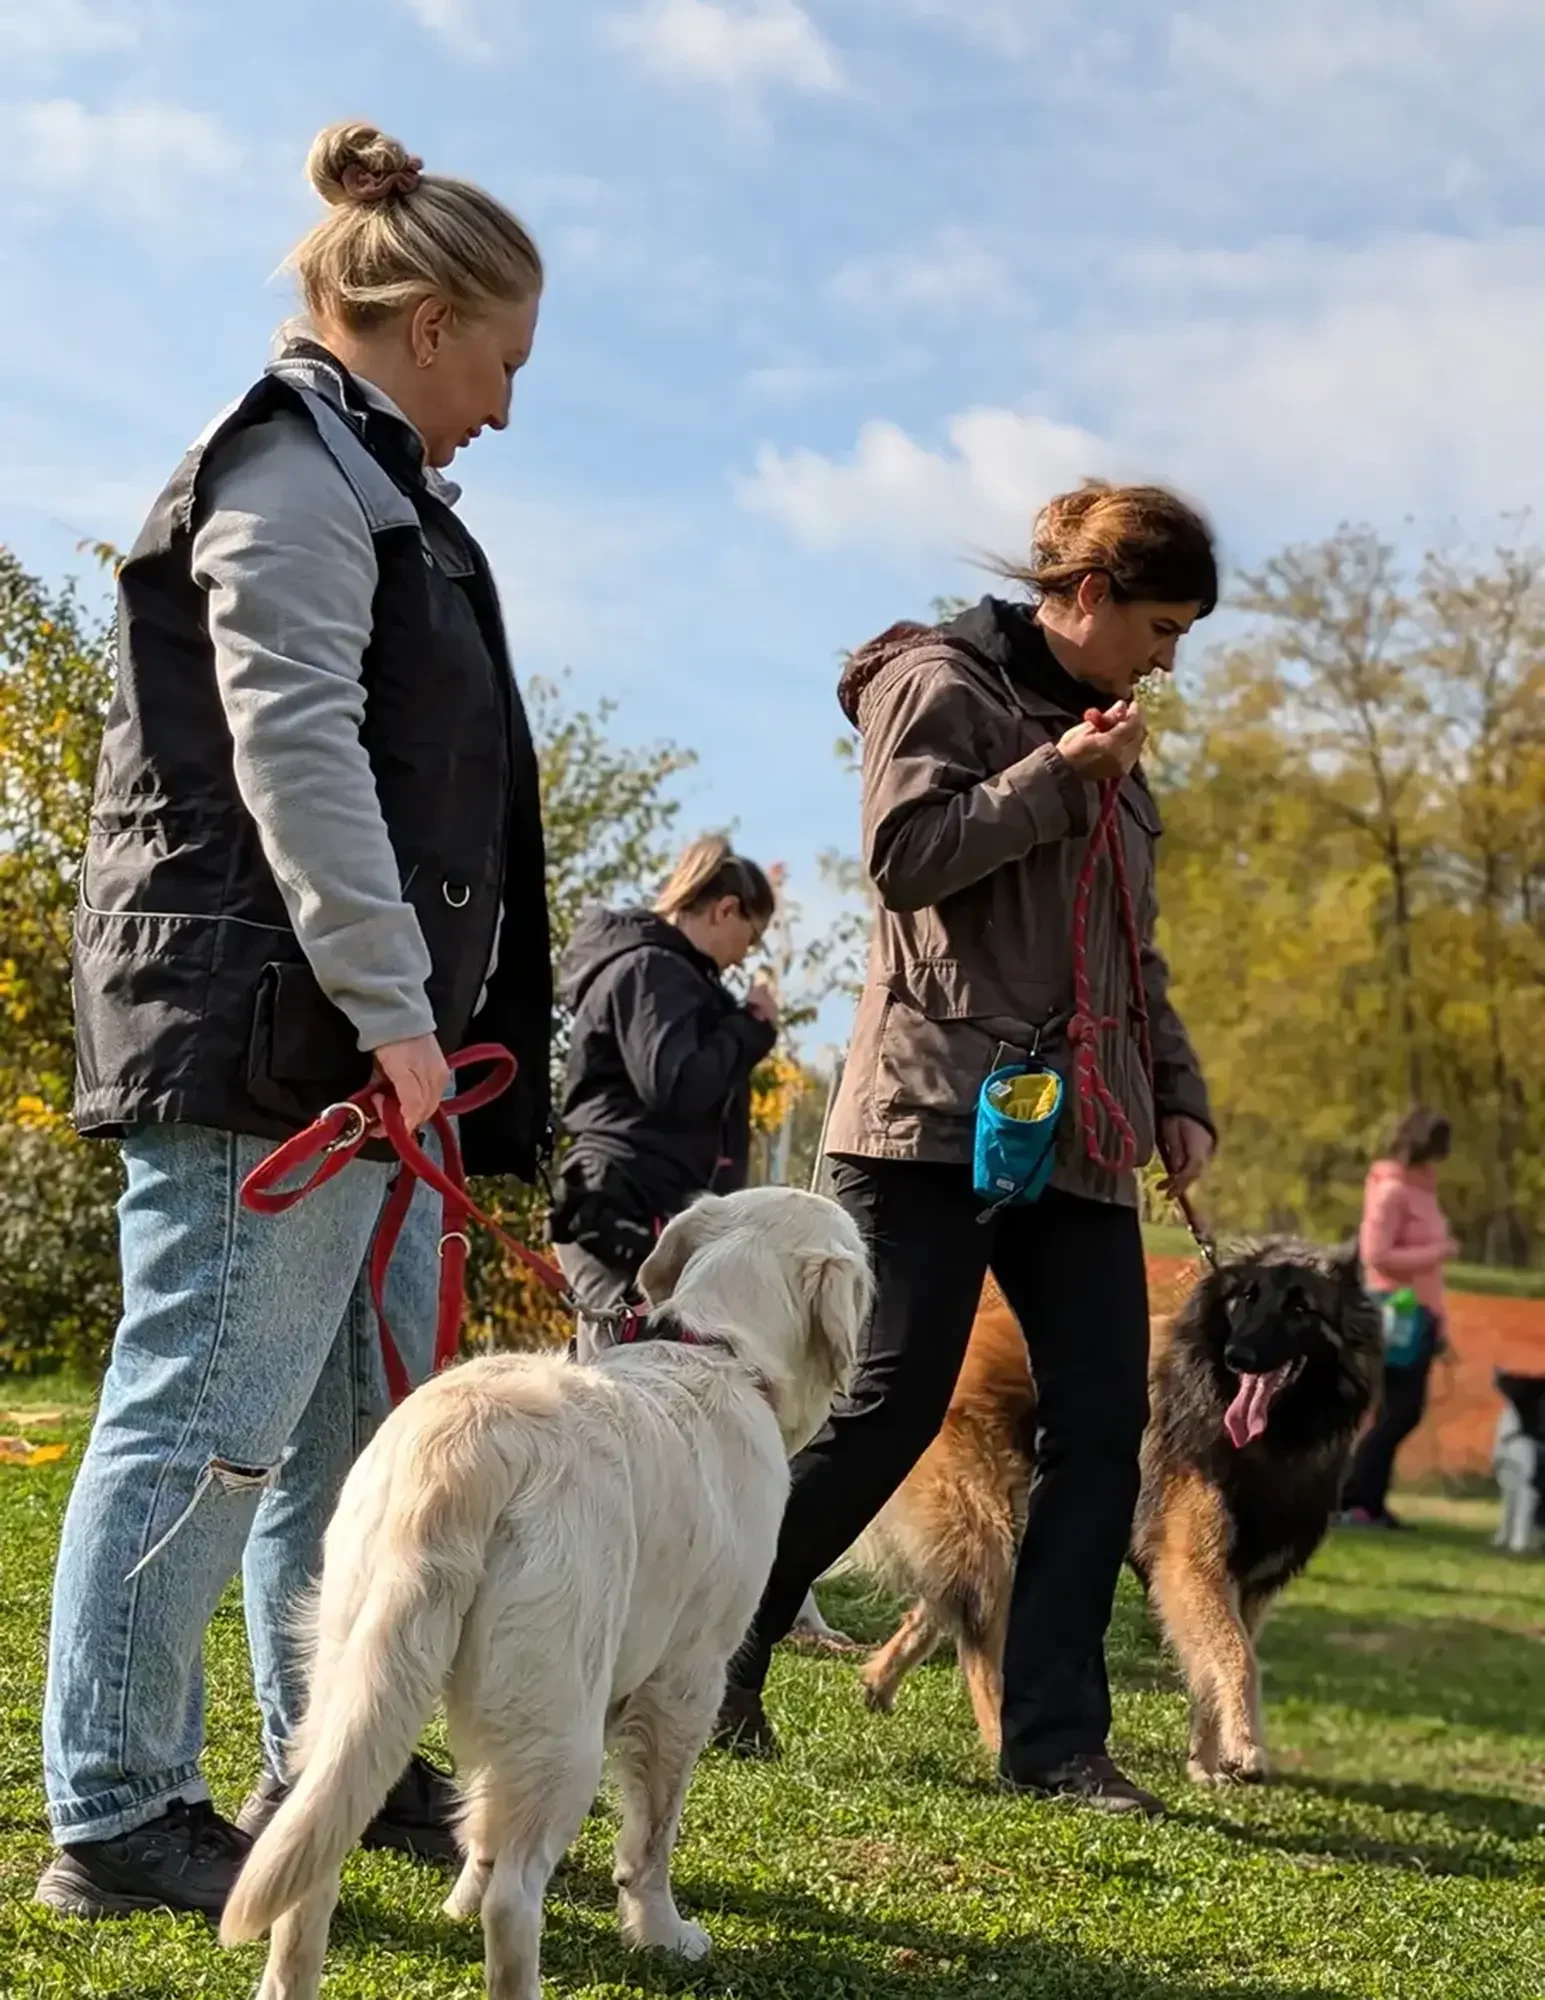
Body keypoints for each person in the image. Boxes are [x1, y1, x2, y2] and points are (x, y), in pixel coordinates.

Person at [38, 121, 553, 1920]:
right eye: (504, 365)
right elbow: (300, 753)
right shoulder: (287, 469)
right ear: (431, 325)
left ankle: (329, 1753)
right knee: (206, 1416)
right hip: (271, 1028)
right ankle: (117, 1813)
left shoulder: (373, 482)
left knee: (339, 1442)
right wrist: (399, 1015)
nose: (505, 409)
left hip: (338, 1034)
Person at [715, 481, 1218, 1816]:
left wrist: (1176, 1093)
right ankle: (715, 1641)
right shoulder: (936, 681)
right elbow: (905, 857)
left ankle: (1054, 1742)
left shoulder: (1117, 748)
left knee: (1104, 1422)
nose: (1168, 662)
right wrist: (1057, 778)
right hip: (930, 1116)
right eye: (1161, 628)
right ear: (1091, 595)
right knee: (889, 1405)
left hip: (1082, 1130)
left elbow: (1133, 949)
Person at [551, 837, 779, 1354]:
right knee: (625, 1368)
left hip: (635, 1201)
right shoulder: (652, 971)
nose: (746, 954)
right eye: (753, 936)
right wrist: (750, 1027)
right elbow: (676, 1084)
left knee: (633, 1365)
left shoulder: (670, 976)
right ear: (725, 910)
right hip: (623, 1201)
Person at [1341, 1108, 1457, 1529]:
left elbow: (1430, 1276)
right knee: (1398, 1409)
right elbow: (1375, 1255)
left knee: (1401, 1409)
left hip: (1421, 1314)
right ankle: (1354, 1498)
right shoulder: (1391, 1190)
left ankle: (1371, 1501)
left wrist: (1439, 1321)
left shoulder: (1423, 1191)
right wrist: (1437, 1252)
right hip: (1395, 1311)